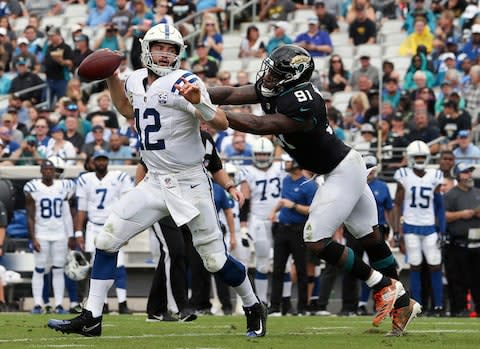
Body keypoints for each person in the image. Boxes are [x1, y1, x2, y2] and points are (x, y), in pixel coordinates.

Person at [47, 23, 266, 338]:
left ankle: (252, 304)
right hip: (155, 180)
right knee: (106, 240)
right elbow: (126, 109)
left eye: (171, 49)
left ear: (179, 53)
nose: (165, 54)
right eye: (160, 47)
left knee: (215, 261)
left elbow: (219, 121)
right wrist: (112, 78)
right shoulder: (135, 79)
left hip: (190, 181)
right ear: (147, 49)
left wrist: (199, 101)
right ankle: (92, 317)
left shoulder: (186, 81)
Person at [205, 44, 420, 336]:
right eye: (269, 70)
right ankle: (402, 303)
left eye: (276, 74)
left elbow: (261, 124)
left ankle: (383, 287)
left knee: (316, 240)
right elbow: (230, 93)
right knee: (371, 238)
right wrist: (195, 90)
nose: (268, 77)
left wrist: (211, 112)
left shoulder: (302, 100)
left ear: (294, 77)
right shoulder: (276, 87)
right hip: (341, 167)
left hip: (342, 170)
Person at [74, 150, 133, 315]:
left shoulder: (118, 177)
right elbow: (82, 208)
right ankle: (103, 304)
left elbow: (126, 204)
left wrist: (126, 228)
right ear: (93, 161)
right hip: (93, 226)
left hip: (113, 226)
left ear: (107, 161)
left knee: (119, 265)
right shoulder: (86, 179)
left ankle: (122, 302)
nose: (101, 163)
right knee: (97, 267)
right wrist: (78, 232)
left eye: (104, 160)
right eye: (98, 160)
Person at [393, 140, 446, 316]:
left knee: (435, 266)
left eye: (423, 156)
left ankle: (438, 306)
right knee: (414, 266)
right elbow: (397, 204)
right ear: (410, 158)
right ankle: (417, 306)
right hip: (410, 227)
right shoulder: (403, 175)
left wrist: (442, 229)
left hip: (430, 227)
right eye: (417, 156)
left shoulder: (435, 175)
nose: (420, 159)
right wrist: (397, 230)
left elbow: (439, 206)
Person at [25, 159, 76, 314]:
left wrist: (70, 235)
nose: (48, 171)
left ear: (54, 171)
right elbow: (30, 216)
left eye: (50, 169)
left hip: (60, 233)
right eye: (45, 169)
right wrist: (33, 237)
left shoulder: (64, 186)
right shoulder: (33, 187)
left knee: (59, 269)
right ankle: (38, 304)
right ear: (41, 171)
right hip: (42, 234)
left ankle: (59, 304)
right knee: (39, 269)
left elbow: (68, 212)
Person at [268, 154, 317, 315]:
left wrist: (294, 206)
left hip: (299, 229)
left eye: (289, 161)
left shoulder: (309, 185)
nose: (286, 164)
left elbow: (312, 209)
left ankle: (302, 307)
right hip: (283, 228)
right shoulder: (286, 180)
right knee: (277, 269)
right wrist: (273, 212)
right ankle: (275, 306)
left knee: (301, 269)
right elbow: (283, 201)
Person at [237, 137, 283, 306]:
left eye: (265, 154)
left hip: (279, 220)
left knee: (283, 264)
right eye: (259, 154)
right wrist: (243, 227)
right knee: (262, 263)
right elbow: (245, 202)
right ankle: (263, 301)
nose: (262, 157)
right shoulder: (247, 171)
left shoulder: (281, 167)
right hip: (258, 221)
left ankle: (283, 303)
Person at [443, 162, 480, 317]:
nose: (468, 175)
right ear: (458, 175)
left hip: (477, 243)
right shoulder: (451, 194)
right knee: (457, 279)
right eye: (465, 172)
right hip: (458, 243)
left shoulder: (478, 192)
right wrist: (461, 214)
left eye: (470, 172)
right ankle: (459, 309)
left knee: (478, 280)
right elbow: (443, 216)